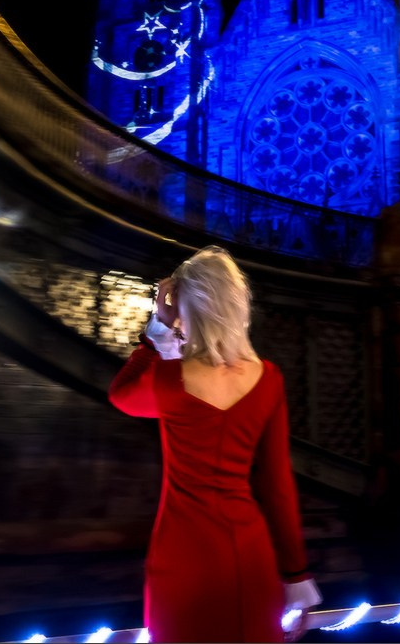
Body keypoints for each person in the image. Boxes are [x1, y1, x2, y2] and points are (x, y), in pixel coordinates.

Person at [109, 245, 323, 643]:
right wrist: (296, 575)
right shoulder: (269, 379)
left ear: (188, 311)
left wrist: (157, 330)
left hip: (184, 561)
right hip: (250, 557)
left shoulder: (170, 382)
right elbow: (277, 487)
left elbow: (121, 395)